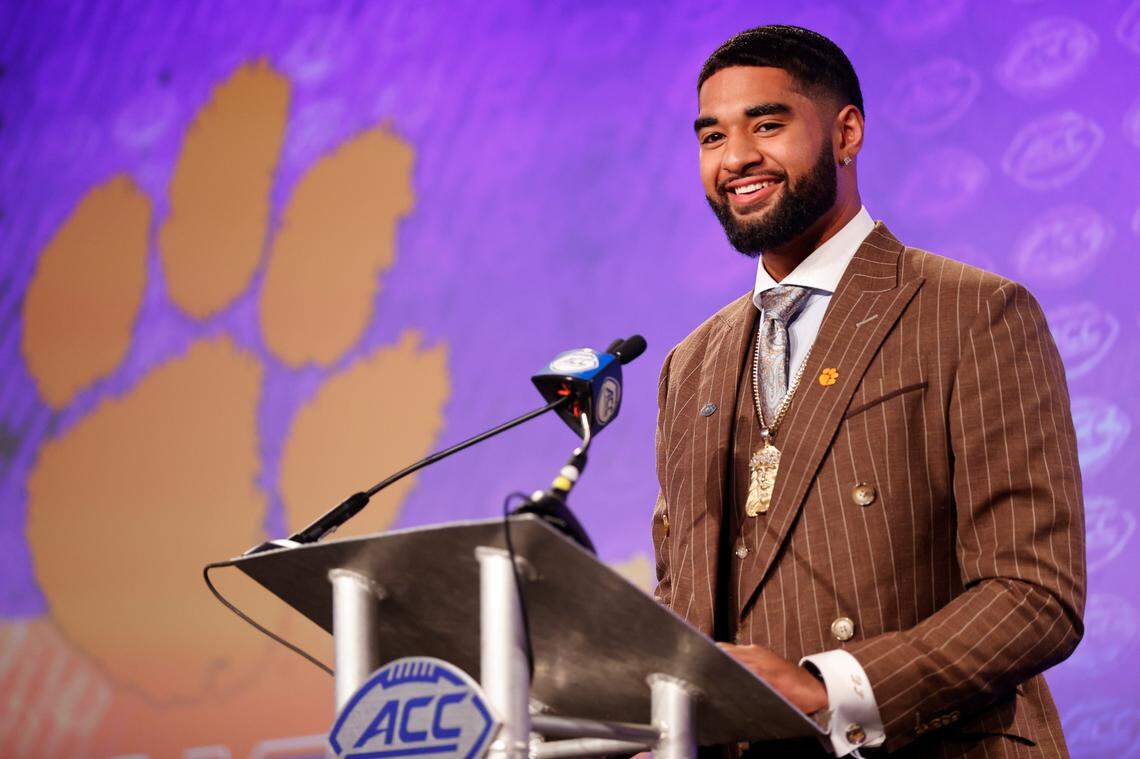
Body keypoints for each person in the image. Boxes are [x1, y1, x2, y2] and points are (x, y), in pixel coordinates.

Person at [651, 25, 1085, 758]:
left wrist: (833, 688)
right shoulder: (689, 363)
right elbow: (682, 603)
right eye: (711, 137)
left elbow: (1035, 593)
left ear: (846, 131)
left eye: (767, 124)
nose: (735, 159)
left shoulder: (972, 311)